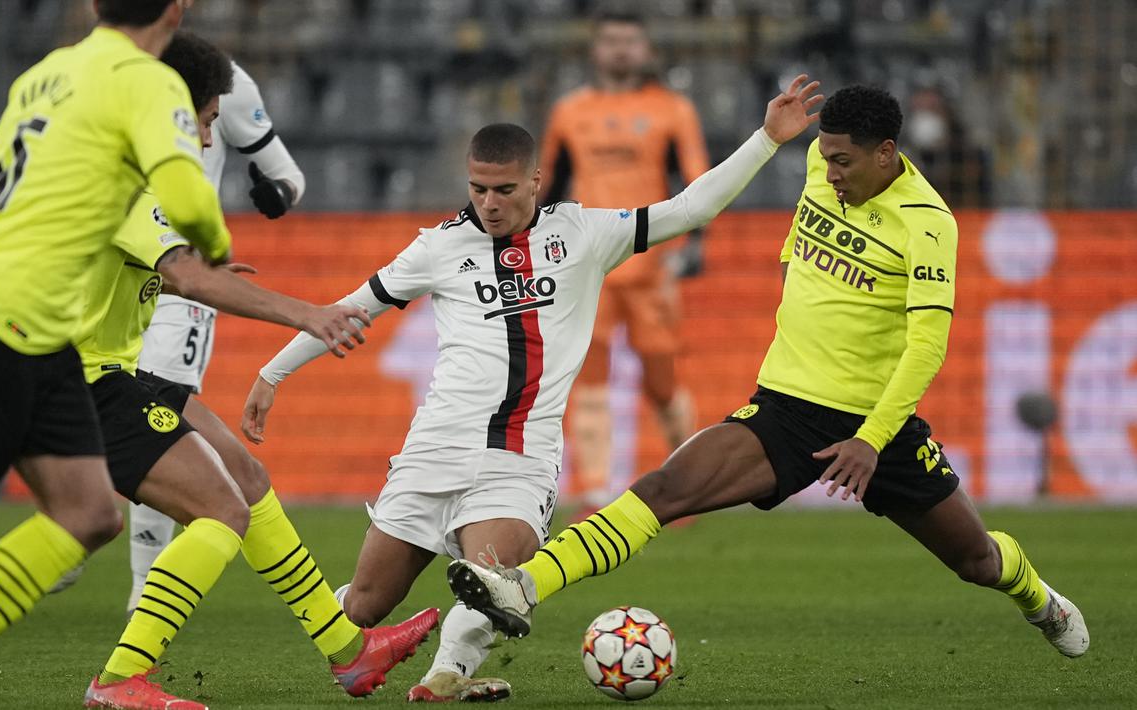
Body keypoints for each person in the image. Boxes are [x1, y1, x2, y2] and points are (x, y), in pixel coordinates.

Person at [447, 85, 1091, 662]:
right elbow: (801, 257)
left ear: (887, 152)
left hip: (877, 427)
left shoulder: (927, 224)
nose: (829, 170)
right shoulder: (819, 162)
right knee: (668, 487)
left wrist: (871, 438)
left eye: (844, 161)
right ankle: (524, 584)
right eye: (826, 156)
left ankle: (1037, 594)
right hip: (786, 405)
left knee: (975, 560)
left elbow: (927, 348)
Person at [241, 75, 823, 701]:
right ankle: (355, 639)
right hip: (433, 450)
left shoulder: (583, 233)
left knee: (497, 581)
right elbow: (349, 309)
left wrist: (766, 138)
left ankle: (447, 675)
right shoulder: (437, 247)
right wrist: (271, 373)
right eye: (478, 189)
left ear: (535, 183)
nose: (489, 203)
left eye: (504, 190)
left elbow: (691, 208)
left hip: (518, 459)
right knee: (361, 608)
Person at [76, 32, 434, 709]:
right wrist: (307, 314)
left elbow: (150, 268)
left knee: (245, 478)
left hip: (111, 369)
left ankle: (349, 652)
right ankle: (120, 678)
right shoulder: (130, 173)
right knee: (219, 509)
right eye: (208, 120)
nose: (211, 140)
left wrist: (189, 278)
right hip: (80, 380)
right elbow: (180, 269)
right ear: (177, 109)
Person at [0, 2, 232, 707]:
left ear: (92, 6)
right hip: (2, 320)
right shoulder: (145, 80)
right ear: (175, 10)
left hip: (18, 321)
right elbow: (185, 195)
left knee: (84, 515)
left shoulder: (45, 74)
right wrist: (215, 242)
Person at [127, 45, 308, 618]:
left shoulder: (229, 82)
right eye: (202, 124)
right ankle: (72, 519)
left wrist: (275, 197)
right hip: (120, 263)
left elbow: (289, 176)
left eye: (207, 124)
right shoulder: (106, 76)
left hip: (187, 275)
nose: (206, 138)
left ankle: (142, 591)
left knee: (163, 417)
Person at [540, 11, 710, 512]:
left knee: (662, 385)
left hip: (651, 268)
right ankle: (594, 489)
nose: (620, 50)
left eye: (629, 41)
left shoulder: (672, 110)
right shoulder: (570, 112)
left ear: (645, 50)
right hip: (589, 268)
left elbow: (695, 180)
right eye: (610, 40)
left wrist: (695, 246)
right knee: (587, 381)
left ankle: (691, 486)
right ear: (595, 49)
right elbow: (549, 185)